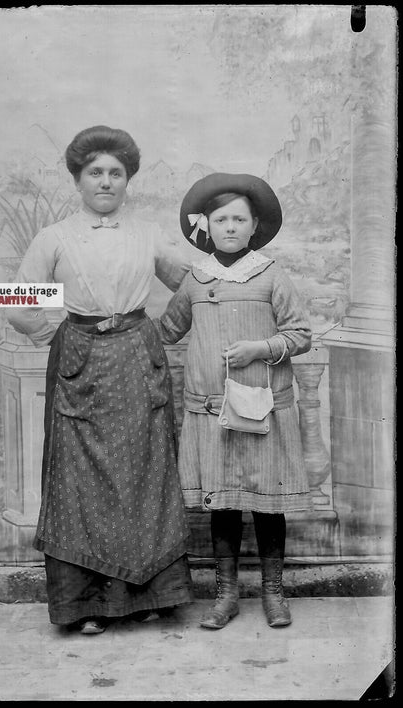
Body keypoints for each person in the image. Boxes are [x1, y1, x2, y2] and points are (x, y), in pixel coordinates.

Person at [7, 125, 198, 635]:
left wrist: (169, 327)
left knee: (144, 472)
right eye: (96, 173)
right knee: (80, 481)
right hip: (80, 363)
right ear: (78, 180)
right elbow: (16, 299)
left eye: (116, 173)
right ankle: (87, 606)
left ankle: (152, 598)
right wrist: (57, 334)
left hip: (138, 359)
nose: (107, 182)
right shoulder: (55, 237)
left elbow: (194, 282)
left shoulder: (146, 234)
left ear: (128, 179)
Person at [155, 173, 313, 630]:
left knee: (268, 505)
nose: (229, 227)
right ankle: (225, 596)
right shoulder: (195, 279)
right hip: (212, 413)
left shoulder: (271, 274)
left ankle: (274, 593)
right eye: (220, 219)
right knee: (221, 506)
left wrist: (259, 349)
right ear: (206, 225)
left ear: (253, 225)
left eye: (238, 219)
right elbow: (167, 332)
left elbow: (301, 334)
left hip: (263, 407)